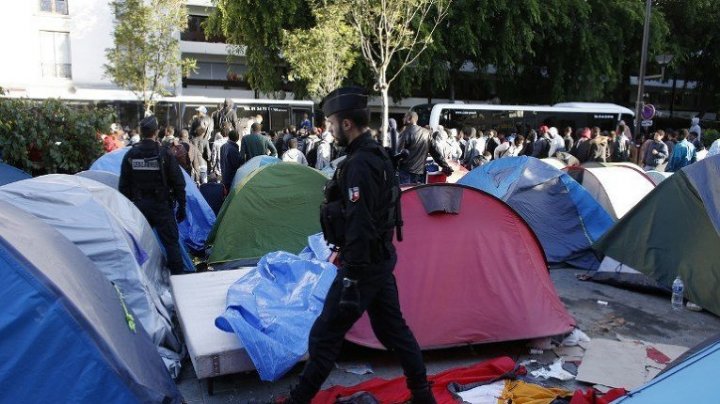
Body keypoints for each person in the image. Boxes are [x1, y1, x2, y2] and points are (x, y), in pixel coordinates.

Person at [287, 86, 434, 404]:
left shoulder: (360, 164)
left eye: (331, 123)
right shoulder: (376, 154)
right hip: (379, 260)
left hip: (363, 265)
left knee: (325, 334)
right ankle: (423, 395)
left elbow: (360, 222)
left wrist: (351, 275)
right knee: (393, 331)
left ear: (346, 124)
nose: (329, 130)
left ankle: (298, 399)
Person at [119, 116, 186, 274]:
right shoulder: (164, 154)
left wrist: (130, 207)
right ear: (156, 132)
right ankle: (179, 281)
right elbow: (178, 182)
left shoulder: (131, 154)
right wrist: (182, 205)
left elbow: (123, 186)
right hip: (161, 205)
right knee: (171, 245)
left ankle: (144, 279)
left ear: (141, 132)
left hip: (140, 207)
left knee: (139, 244)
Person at [396, 111, 452, 184]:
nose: (402, 119)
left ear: (409, 118)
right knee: (417, 194)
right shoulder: (427, 133)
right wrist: (445, 166)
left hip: (405, 171)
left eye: (404, 117)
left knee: (405, 193)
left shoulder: (405, 132)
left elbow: (398, 153)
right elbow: (436, 152)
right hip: (420, 172)